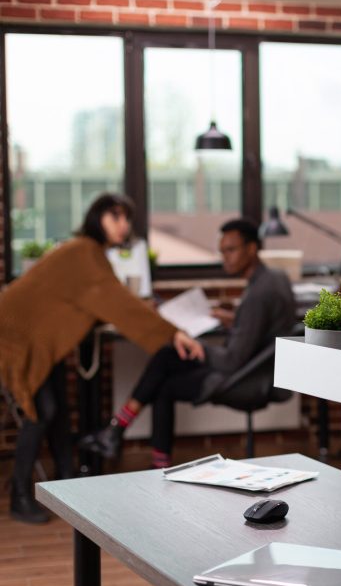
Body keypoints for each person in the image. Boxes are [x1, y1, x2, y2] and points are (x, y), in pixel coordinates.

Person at [0, 193, 203, 524]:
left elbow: (102, 299)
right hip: (16, 337)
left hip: (33, 338)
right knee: (44, 411)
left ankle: (66, 485)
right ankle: (20, 496)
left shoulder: (88, 252)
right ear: (97, 218)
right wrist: (171, 333)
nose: (123, 225)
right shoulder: (84, 252)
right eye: (115, 217)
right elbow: (117, 302)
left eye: (127, 219)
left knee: (60, 410)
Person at [80, 218, 295, 469]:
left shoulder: (258, 294)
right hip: (262, 369)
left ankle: (132, 443)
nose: (225, 257)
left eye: (231, 250)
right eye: (222, 251)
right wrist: (233, 319)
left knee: (165, 374)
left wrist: (198, 347)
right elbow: (262, 327)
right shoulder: (276, 277)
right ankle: (119, 436)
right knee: (167, 356)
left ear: (252, 249)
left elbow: (232, 360)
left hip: (247, 379)